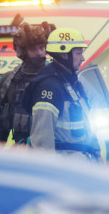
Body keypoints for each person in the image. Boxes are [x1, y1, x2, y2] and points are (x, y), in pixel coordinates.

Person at [19, 27, 100, 160]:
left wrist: (97, 158)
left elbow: (87, 128)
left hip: (81, 166)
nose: (83, 58)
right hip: (65, 170)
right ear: (64, 54)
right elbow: (42, 142)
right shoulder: (49, 88)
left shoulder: (72, 83)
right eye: (79, 53)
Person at [0, 22, 54, 143]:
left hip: (53, 154)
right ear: (22, 52)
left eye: (42, 47)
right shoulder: (8, 81)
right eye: (33, 49)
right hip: (22, 155)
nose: (39, 53)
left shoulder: (57, 78)